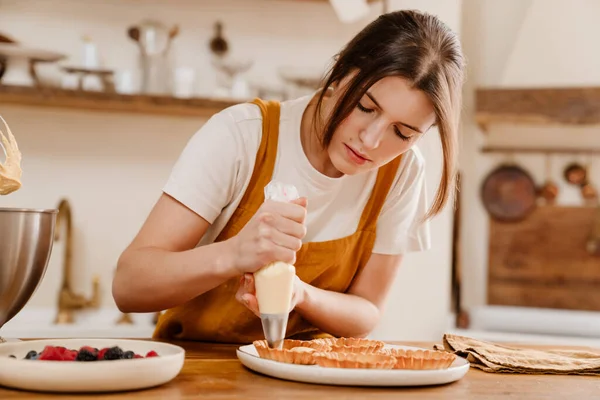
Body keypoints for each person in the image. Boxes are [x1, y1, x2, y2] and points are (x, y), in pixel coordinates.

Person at [112, 9, 465, 343]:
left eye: (402, 133)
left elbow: (368, 311)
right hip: (199, 374)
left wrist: (299, 294)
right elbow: (129, 286)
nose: (371, 141)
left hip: (313, 378)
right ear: (340, 75)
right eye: (365, 107)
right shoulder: (242, 136)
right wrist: (235, 255)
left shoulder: (402, 172)